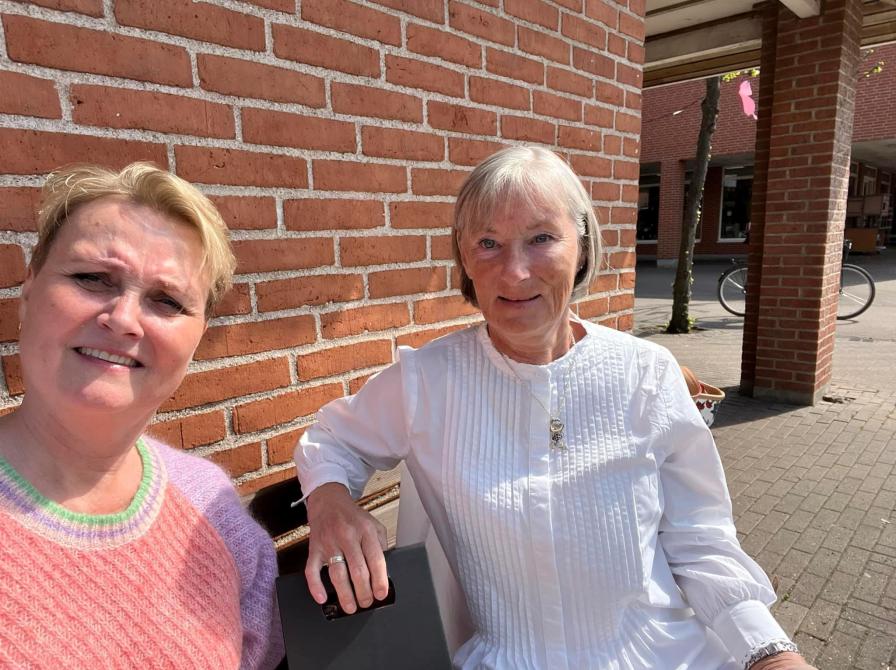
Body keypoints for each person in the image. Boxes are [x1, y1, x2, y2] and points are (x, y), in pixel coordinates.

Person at [294, 146, 814, 669]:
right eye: (488, 243)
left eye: (541, 238)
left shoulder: (647, 375)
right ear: (465, 260)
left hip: (664, 655)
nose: (515, 272)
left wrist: (769, 654)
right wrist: (329, 500)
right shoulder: (427, 381)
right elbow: (331, 440)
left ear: (582, 247)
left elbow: (699, 539)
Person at [0, 163, 283, 669]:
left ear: (197, 338)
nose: (124, 320)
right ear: (27, 296)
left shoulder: (212, 511)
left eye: (167, 301)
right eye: (92, 278)